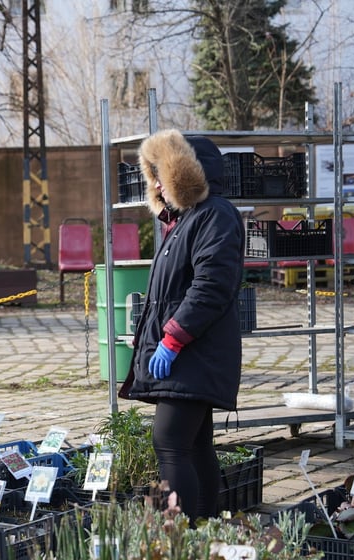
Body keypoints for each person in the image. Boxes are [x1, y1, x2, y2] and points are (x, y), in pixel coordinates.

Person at [118, 128, 245, 525]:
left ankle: (181, 534)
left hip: (196, 351)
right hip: (191, 353)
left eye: (163, 174)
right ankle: (206, 527)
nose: (155, 183)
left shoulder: (214, 215)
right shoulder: (187, 220)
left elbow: (211, 286)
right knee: (194, 445)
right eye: (153, 174)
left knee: (169, 442)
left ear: (186, 173)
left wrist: (172, 339)